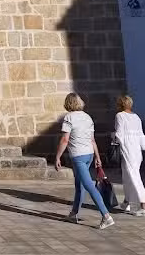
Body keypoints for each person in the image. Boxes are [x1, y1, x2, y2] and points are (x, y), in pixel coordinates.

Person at [54, 92, 115, 230]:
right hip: (89, 154)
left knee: (88, 185)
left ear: (68, 103)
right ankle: (74, 213)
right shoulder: (88, 117)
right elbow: (92, 140)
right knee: (79, 185)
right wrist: (97, 157)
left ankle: (106, 216)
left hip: (78, 156)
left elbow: (65, 139)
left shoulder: (69, 117)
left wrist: (57, 156)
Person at [113, 95, 145, 217]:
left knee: (134, 175)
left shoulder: (120, 116)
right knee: (127, 175)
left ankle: (143, 206)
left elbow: (119, 134)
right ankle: (126, 202)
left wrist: (113, 138)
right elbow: (140, 134)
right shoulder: (136, 117)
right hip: (136, 149)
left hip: (127, 148)